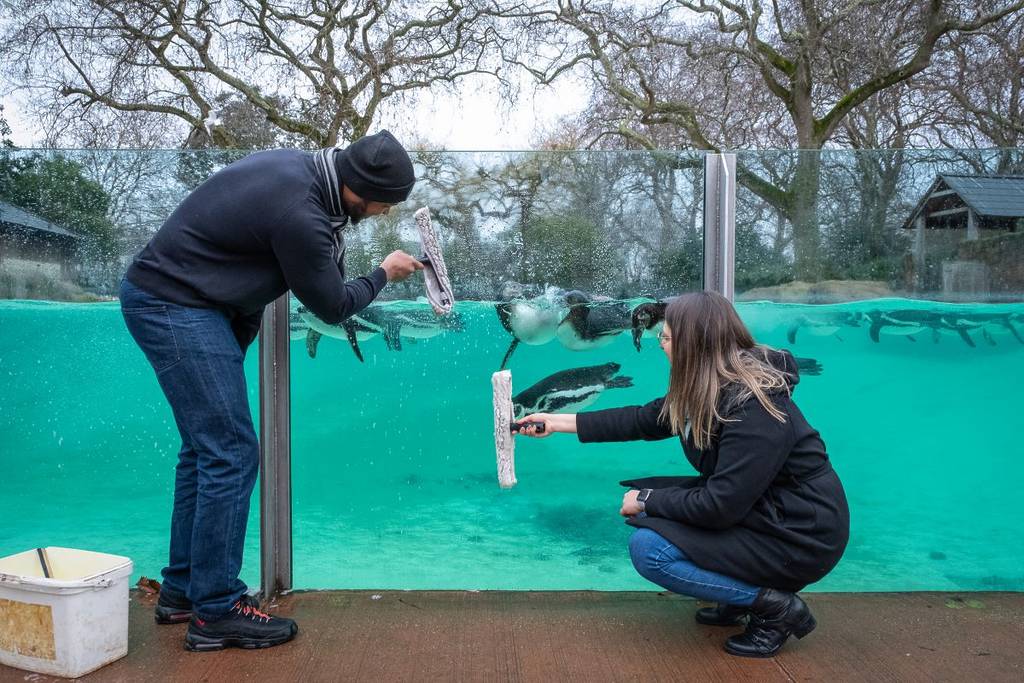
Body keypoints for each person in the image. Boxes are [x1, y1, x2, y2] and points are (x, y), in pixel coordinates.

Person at [119, 130, 424, 652]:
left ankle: (185, 591)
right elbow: (331, 304)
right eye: (384, 205)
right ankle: (216, 611)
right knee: (231, 453)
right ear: (363, 189)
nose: (382, 214)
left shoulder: (306, 173)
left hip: (197, 306)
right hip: (176, 305)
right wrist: (383, 273)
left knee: (206, 451)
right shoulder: (302, 213)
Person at [516, 291, 849, 658]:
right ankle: (741, 595)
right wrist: (553, 421)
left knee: (651, 550)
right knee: (660, 513)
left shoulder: (754, 407)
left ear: (695, 343)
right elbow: (644, 418)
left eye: (667, 337)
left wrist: (647, 501)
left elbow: (720, 506)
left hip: (800, 534)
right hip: (762, 513)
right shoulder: (707, 386)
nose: (660, 344)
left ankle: (775, 608)